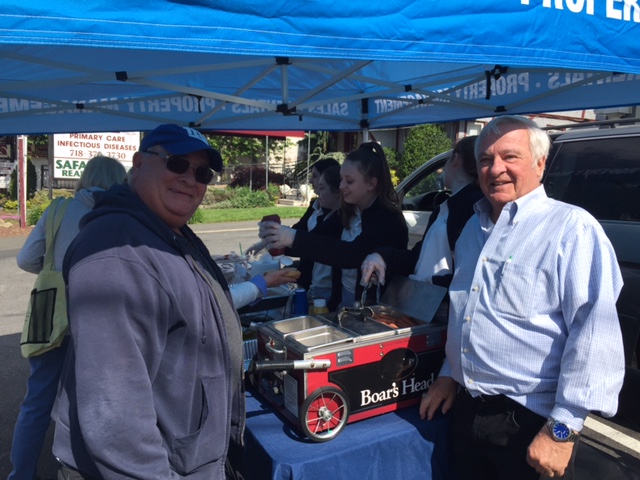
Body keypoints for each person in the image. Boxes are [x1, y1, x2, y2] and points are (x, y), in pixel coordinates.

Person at [419, 115, 625, 479]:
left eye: (509, 157)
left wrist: (562, 430)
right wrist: (450, 373)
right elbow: (467, 312)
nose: (495, 168)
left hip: (529, 423)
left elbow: (595, 336)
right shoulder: (472, 228)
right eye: (485, 159)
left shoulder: (572, 229)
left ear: (540, 163)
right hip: (467, 413)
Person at [52, 124, 243, 479]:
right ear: (138, 164)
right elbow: (115, 415)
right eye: (176, 163)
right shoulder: (117, 252)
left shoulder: (162, 231)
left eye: (202, 172)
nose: (190, 178)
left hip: (184, 460)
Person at [10, 155, 127, 480]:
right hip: (100, 318)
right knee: (91, 402)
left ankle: (21, 474)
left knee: (36, 402)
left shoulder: (58, 210)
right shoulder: (118, 216)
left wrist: (52, 267)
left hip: (51, 316)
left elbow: (25, 259)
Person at [260, 142, 408, 308]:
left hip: (377, 310)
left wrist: (292, 238)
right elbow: (318, 239)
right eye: (341, 179)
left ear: (371, 184)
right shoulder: (348, 212)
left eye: (349, 181)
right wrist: (278, 240)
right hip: (344, 304)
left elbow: (351, 254)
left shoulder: (387, 219)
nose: (341, 186)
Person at [360, 135, 482, 289]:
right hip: (425, 301)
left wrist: (429, 284)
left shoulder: (473, 205)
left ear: (456, 159)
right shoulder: (447, 207)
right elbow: (418, 257)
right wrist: (382, 257)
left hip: (440, 306)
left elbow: (469, 272)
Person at [246, 158, 340, 290]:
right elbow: (299, 230)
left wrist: (285, 239)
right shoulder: (315, 204)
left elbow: (313, 241)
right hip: (309, 278)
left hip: (325, 282)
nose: (312, 181)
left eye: (315, 176)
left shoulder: (337, 216)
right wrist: (271, 239)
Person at [304, 165, 343, 310]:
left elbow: (312, 241)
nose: (318, 192)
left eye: (322, 187)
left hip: (328, 287)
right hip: (317, 282)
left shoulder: (339, 220)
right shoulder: (326, 214)